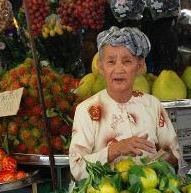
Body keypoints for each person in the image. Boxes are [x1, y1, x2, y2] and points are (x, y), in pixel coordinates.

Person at [69, 26, 184, 181]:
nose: (119, 69)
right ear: (101, 67)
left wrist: (157, 162)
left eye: (127, 61)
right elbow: (77, 169)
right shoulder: (87, 110)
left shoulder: (152, 105)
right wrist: (114, 150)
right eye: (111, 62)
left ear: (140, 66)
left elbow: (176, 155)